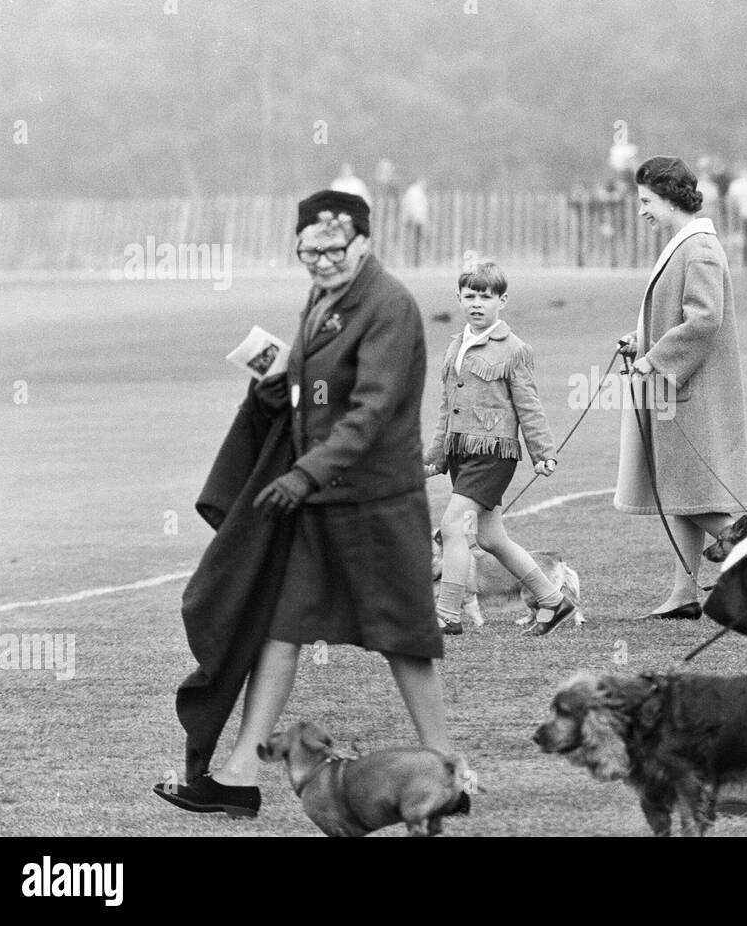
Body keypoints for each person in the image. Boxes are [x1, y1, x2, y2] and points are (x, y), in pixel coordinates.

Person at [154, 190, 452, 818]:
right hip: (323, 503)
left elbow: (371, 411)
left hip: (375, 502)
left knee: (403, 637)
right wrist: (279, 383)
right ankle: (238, 775)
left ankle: (446, 771)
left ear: (365, 243)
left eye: (333, 249)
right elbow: (315, 386)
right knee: (283, 631)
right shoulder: (323, 297)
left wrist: (303, 475)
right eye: (307, 250)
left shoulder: (389, 305)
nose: (320, 260)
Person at [615, 155, 747, 619]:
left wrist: (654, 361)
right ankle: (684, 594)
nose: (642, 210)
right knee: (681, 491)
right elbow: (682, 315)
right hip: (677, 391)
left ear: (671, 198)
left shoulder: (699, 249)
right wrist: (641, 341)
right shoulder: (684, 246)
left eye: (647, 201)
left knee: (694, 497)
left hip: (690, 394)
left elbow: (704, 321)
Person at [424, 259, 573, 636]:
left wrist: (544, 452)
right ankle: (554, 601)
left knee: (451, 524)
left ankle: (447, 615)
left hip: (494, 454)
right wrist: (436, 457)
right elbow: (447, 408)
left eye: (485, 297)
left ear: (501, 301)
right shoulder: (455, 346)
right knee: (491, 538)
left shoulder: (514, 350)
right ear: (458, 298)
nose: (476, 303)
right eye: (469, 295)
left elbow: (529, 405)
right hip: (461, 454)